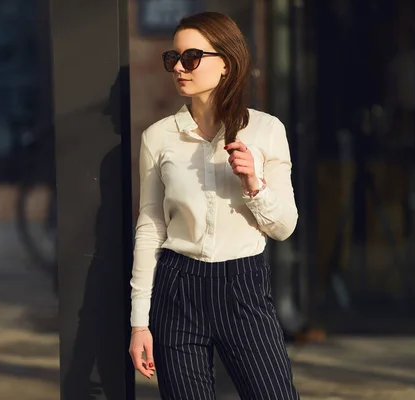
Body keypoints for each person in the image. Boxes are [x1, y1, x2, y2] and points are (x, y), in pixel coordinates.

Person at [128, 11, 301, 400]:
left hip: (242, 288)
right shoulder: (158, 138)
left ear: (225, 63)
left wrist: (255, 185)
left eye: (191, 57)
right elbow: (151, 226)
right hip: (178, 290)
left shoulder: (266, 130)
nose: (179, 68)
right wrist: (140, 323)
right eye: (173, 59)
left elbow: (284, 226)